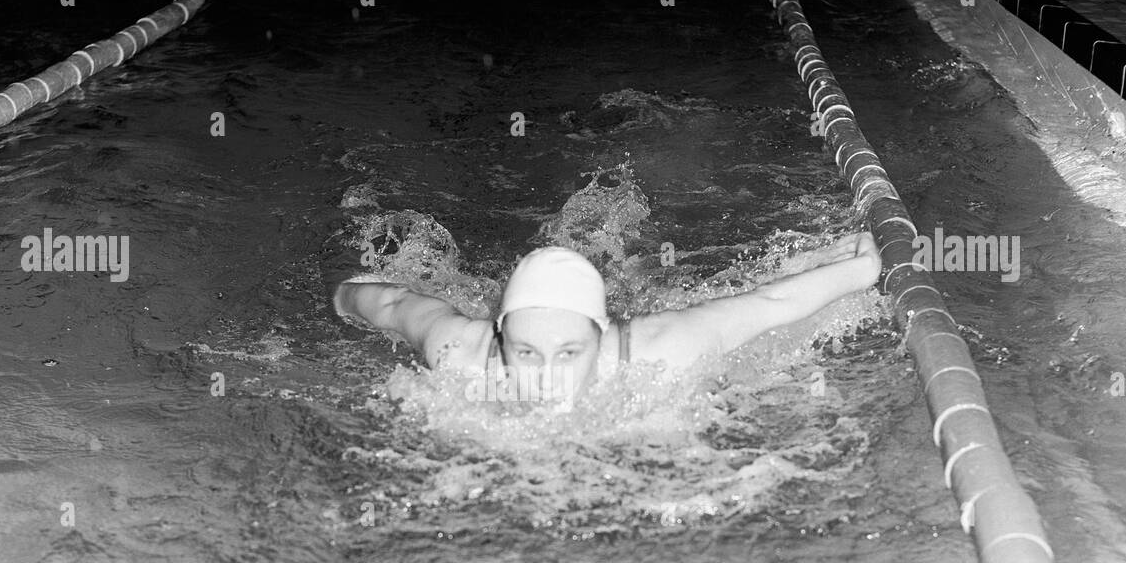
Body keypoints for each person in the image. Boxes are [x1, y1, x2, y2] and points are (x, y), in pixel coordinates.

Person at [332, 232, 882, 404]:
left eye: (569, 353)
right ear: (497, 338)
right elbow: (390, 304)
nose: (546, 377)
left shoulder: (660, 349)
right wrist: (336, 294)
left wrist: (864, 270)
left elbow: (769, 306)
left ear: (604, 336)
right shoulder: (461, 352)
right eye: (526, 353)